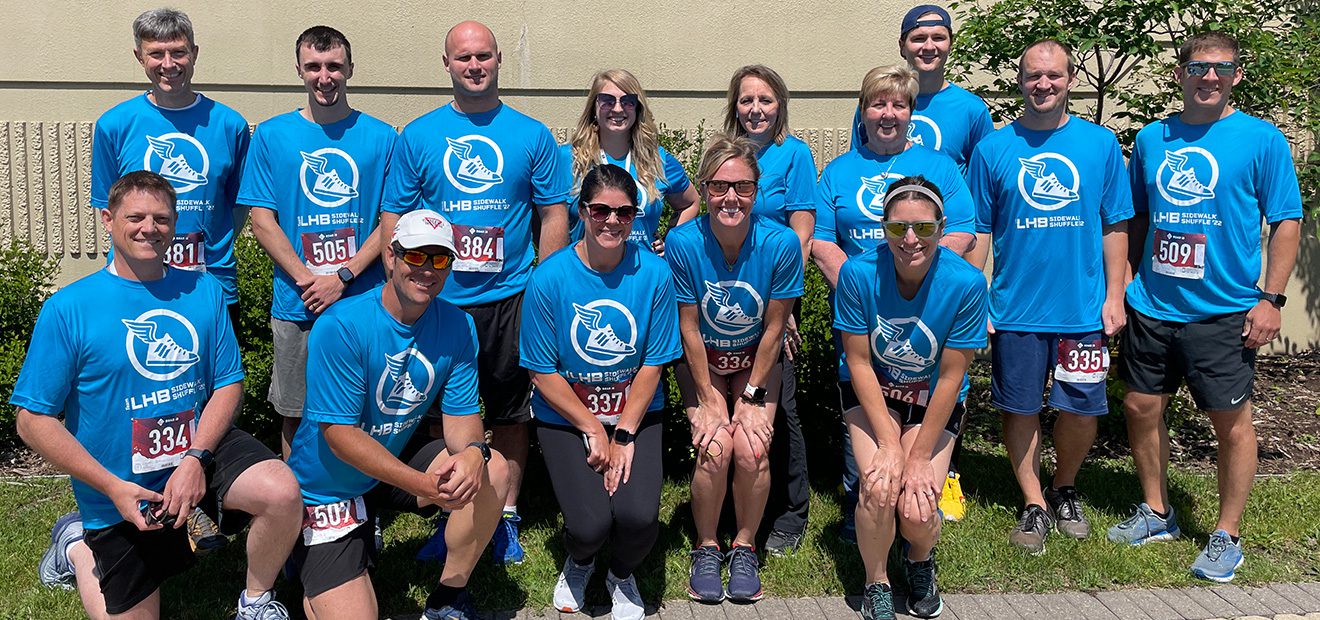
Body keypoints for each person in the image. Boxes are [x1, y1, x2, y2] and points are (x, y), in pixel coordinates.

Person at [16, 171, 301, 620]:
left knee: (283, 492)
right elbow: (32, 420)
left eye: (162, 218)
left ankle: (256, 602)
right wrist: (112, 488)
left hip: (196, 455)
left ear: (175, 224)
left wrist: (194, 458)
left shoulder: (203, 289)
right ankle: (76, 546)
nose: (150, 228)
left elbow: (228, 382)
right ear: (108, 220)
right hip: (118, 488)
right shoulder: (68, 308)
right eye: (136, 217)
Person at [1108, 32, 1303, 583]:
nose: (1209, 77)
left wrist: (1271, 298)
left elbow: (1286, 220)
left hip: (1224, 310)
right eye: (1198, 68)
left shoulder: (1261, 140)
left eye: (1220, 68)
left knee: (1231, 423)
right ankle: (1157, 511)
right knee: (1142, 408)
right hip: (1153, 304)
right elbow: (1135, 218)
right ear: (1181, 74)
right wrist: (1123, 283)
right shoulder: (1151, 139)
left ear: (1237, 75)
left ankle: (1226, 534)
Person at [380, 20, 570, 565]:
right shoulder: (418, 135)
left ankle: (505, 517)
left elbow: (552, 211)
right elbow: (395, 215)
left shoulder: (532, 135)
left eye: (483, 55)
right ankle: (453, 517)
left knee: (511, 413)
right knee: (442, 417)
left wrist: (543, 282)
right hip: (438, 301)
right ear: (446, 65)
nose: (474, 65)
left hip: (510, 297)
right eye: (463, 58)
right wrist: (398, 279)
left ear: (497, 60)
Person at [285, 209, 509, 620]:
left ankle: (447, 600)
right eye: (416, 256)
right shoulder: (342, 325)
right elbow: (339, 435)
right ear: (391, 257)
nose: (427, 269)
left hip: (391, 462)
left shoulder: (458, 325)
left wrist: (476, 452)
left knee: (493, 472)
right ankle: (300, 550)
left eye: (439, 259)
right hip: (328, 484)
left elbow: (461, 415)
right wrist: (423, 484)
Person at [87, 5, 250, 551]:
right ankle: (102, 514)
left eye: (178, 52)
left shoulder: (227, 124)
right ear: (139, 58)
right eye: (156, 54)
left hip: (208, 284)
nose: (168, 63)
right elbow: (112, 207)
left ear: (194, 54)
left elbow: (235, 206)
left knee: (205, 398)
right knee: (145, 400)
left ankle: (198, 504)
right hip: (140, 290)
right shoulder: (115, 125)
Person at [966, 39, 1132, 555]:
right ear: (1020, 80)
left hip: (1083, 308)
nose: (1044, 85)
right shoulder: (993, 149)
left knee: (1081, 409)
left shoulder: (1101, 145)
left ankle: (1065, 487)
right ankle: (1034, 502)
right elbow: (980, 232)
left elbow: (1114, 225)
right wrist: (977, 299)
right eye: (1034, 76)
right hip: (1015, 309)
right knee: (1019, 408)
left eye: (1054, 76)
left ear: (1070, 80)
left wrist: (1115, 295)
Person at [813, 64, 977, 542]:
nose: (888, 113)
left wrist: (915, 270)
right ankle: (859, 505)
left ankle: (919, 500)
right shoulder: (840, 171)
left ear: (910, 112)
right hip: (865, 311)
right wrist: (868, 286)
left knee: (925, 403)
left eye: (898, 104)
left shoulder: (940, 167)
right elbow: (823, 241)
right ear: (862, 112)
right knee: (864, 405)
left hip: (927, 315)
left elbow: (962, 230)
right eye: (877, 104)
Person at [519, 164, 681, 620]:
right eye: (600, 210)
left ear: (635, 216)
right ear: (582, 212)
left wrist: (624, 433)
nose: (612, 221)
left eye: (625, 213)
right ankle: (582, 559)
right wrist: (592, 428)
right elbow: (540, 371)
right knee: (590, 525)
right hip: (568, 415)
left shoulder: (654, 274)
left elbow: (654, 361)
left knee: (638, 520)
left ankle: (621, 574)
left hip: (635, 412)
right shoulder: (549, 278)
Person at [834, 176, 987, 620]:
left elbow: (952, 376)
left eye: (923, 228)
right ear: (883, 227)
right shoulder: (858, 273)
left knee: (918, 510)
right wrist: (887, 444)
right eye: (898, 228)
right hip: (873, 395)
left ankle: (920, 561)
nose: (910, 239)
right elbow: (859, 362)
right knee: (879, 488)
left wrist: (917, 458)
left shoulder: (966, 283)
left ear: (942, 228)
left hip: (931, 398)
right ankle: (876, 579)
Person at [242, 26, 395, 459]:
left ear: (350, 69)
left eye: (333, 66)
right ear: (299, 70)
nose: (324, 76)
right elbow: (262, 220)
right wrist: (310, 280)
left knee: (366, 411)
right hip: (298, 302)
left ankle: (363, 508)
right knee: (296, 412)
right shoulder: (272, 136)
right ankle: (296, 510)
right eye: (313, 66)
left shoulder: (382, 138)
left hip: (364, 299)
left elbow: (389, 221)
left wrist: (343, 276)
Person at [668, 135, 804, 603]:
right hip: (701, 363)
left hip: (754, 364)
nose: (731, 198)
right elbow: (687, 328)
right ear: (705, 188)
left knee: (751, 449)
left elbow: (774, 328)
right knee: (714, 446)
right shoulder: (683, 242)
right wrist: (706, 397)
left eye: (743, 187)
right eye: (720, 186)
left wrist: (750, 398)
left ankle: (744, 546)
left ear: (756, 189)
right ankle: (707, 546)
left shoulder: (781, 243)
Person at [722, 65, 816, 554]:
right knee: (728, 409)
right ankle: (729, 509)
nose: (755, 109)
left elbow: (802, 229)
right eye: (745, 100)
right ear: (734, 106)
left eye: (765, 100)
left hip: (774, 300)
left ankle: (790, 512)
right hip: (726, 300)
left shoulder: (794, 154)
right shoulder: (725, 152)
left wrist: (787, 303)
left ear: (780, 104)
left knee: (781, 411)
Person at [562, 69, 699, 253]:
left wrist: (671, 241)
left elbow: (690, 203)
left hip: (640, 274)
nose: (617, 108)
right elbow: (544, 217)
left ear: (637, 108)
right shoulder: (567, 159)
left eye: (627, 102)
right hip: (583, 275)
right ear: (594, 107)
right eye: (607, 101)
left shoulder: (657, 159)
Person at [850, 5, 993, 175]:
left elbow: (983, 180)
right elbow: (857, 165)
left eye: (939, 37)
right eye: (919, 38)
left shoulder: (972, 109)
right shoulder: (876, 107)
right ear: (902, 46)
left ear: (951, 45)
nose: (929, 47)